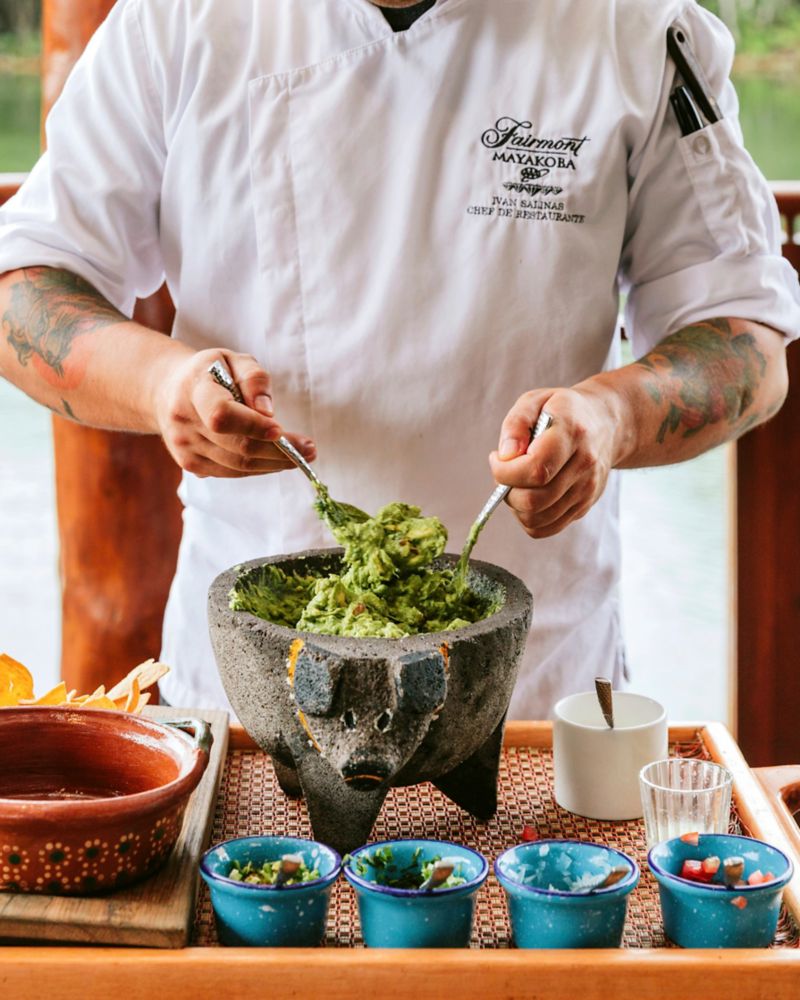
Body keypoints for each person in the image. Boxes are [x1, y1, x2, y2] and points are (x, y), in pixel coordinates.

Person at [0, 0, 798, 716]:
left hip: (535, 690)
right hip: (250, 687)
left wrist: (614, 416)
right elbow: (22, 289)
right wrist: (162, 382)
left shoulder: (633, 25)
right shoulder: (174, 20)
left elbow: (746, 341)